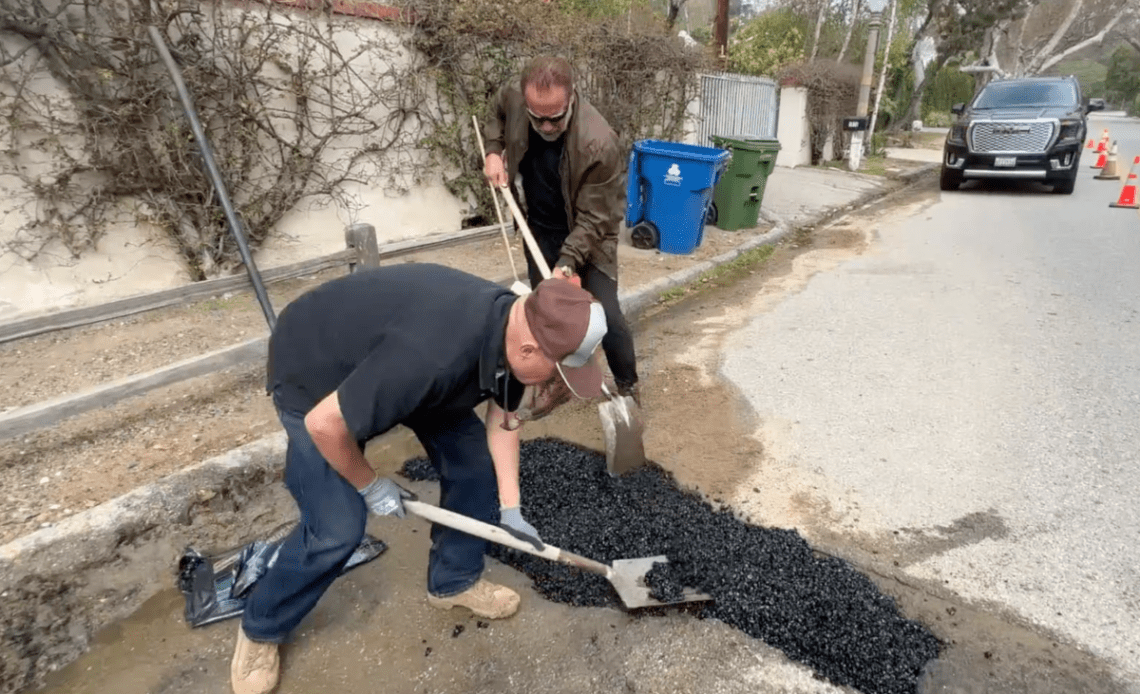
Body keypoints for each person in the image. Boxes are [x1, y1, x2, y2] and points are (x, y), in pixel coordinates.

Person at [230, 262, 607, 694]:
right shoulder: (433, 355)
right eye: (559, 371)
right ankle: (261, 628)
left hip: (399, 367)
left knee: (474, 470)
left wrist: (511, 507)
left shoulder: (514, 328)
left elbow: (504, 416)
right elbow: (324, 424)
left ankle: (453, 583)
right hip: (315, 373)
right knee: (337, 525)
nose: (559, 383)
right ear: (527, 351)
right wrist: (369, 484)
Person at [482, 55, 640, 404]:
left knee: (606, 315)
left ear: (571, 98)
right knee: (545, 317)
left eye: (555, 118)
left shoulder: (599, 142)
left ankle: (628, 389)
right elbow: (497, 113)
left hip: (589, 231)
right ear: (526, 101)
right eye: (537, 118)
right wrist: (494, 150)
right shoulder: (515, 96)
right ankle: (556, 383)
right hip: (538, 226)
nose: (547, 126)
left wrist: (567, 263)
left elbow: (597, 218)